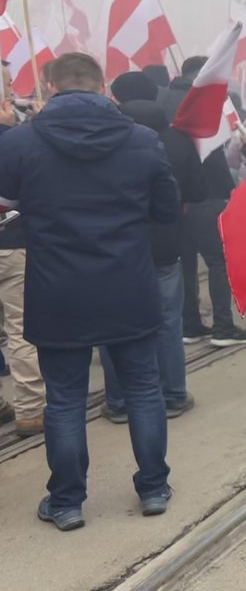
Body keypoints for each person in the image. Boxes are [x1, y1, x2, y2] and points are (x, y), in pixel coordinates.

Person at [0, 53, 180, 530]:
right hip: (127, 284)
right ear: (104, 86)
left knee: (63, 400)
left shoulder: (19, 144)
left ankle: (66, 501)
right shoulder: (143, 142)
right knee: (144, 390)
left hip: (57, 290)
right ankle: (154, 488)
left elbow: (5, 210)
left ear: (48, 85)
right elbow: (167, 209)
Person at [100, 71, 206, 422]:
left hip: (116, 250)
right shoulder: (178, 139)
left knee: (113, 325)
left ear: (117, 100)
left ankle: (119, 401)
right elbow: (198, 192)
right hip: (164, 247)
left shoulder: (105, 141)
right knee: (166, 323)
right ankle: (173, 394)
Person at [162, 56, 246, 348]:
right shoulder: (200, 103)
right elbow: (212, 153)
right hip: (206, 193)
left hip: (175, 199)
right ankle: (223, 327)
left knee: (186, 264)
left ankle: (190, 325)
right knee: (218, 261)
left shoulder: (163, 100)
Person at [0, 60, 46, 438]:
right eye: (8, 83)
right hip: (11, 242)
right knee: (20, 327)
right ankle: (31, 410)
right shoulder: (12, 137)